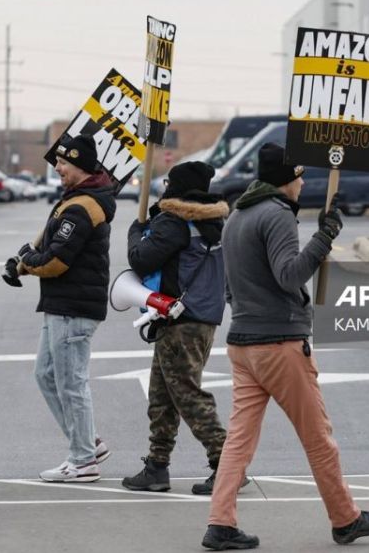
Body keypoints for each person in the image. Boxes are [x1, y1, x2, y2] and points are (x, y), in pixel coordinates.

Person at [202, 143, 369, 550]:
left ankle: (220, 523)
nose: (304, 182)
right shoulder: (277, 215)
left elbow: (228, 286)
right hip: (280, 345)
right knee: (318, 437)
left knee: (238, 440)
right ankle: (346, 520)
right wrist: (325, 237)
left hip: (242, 345)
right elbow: (290, 275)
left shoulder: (236, 214)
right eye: (299, 176)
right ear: (285, 180)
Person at [121, 161, 245, 495]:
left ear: (176, 187)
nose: (162, 187)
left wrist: (137, 229)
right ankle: (157, 467)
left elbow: (141, 259)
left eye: (167, 183)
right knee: (162, 395)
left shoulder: (174, 223)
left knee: (187, 394)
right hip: (200, 318)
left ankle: (227, 465)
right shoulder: (215, 221)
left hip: (180, 320)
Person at [3, 133, 115, 483]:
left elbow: (55, 262)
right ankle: (88, 442)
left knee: (71, 383)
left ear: (80, 165)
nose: (58, 169)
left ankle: (82, 460)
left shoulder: (82, 208)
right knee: (47, 375)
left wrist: (27, 260)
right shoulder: (76, 200)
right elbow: (51, 251)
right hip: (61, 304)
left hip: (73, 306)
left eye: (63, 164)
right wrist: (26, 261)